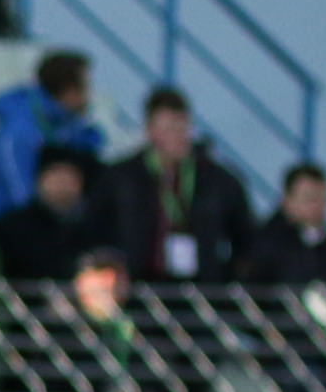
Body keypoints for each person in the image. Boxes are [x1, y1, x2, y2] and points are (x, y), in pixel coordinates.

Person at [95, 87, 249, 284]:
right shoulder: (121, 178)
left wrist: (223, 278)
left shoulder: (219, 181)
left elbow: (245, 238)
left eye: (182, 128)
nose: (178, 136)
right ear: (150, 131)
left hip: (201, 289)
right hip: (137, 287)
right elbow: (98, 231)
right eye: (169, 129)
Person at [0, 51, 94, 225]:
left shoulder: (68, 128)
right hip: (3, 225)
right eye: (85, 86)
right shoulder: (20, 130)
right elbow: (17, 191)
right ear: (67, 89)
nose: (88, 95)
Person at [0, 142, 98, 284]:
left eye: (70, 178)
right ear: (40, 180)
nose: (63, 185)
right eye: (57, 176)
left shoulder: (93, 227)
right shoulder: (10, 229)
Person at [233, 162, 326, 288]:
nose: (318, 205)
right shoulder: (263, 245)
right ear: (287, 200)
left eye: (324, 199)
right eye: (309, 198)